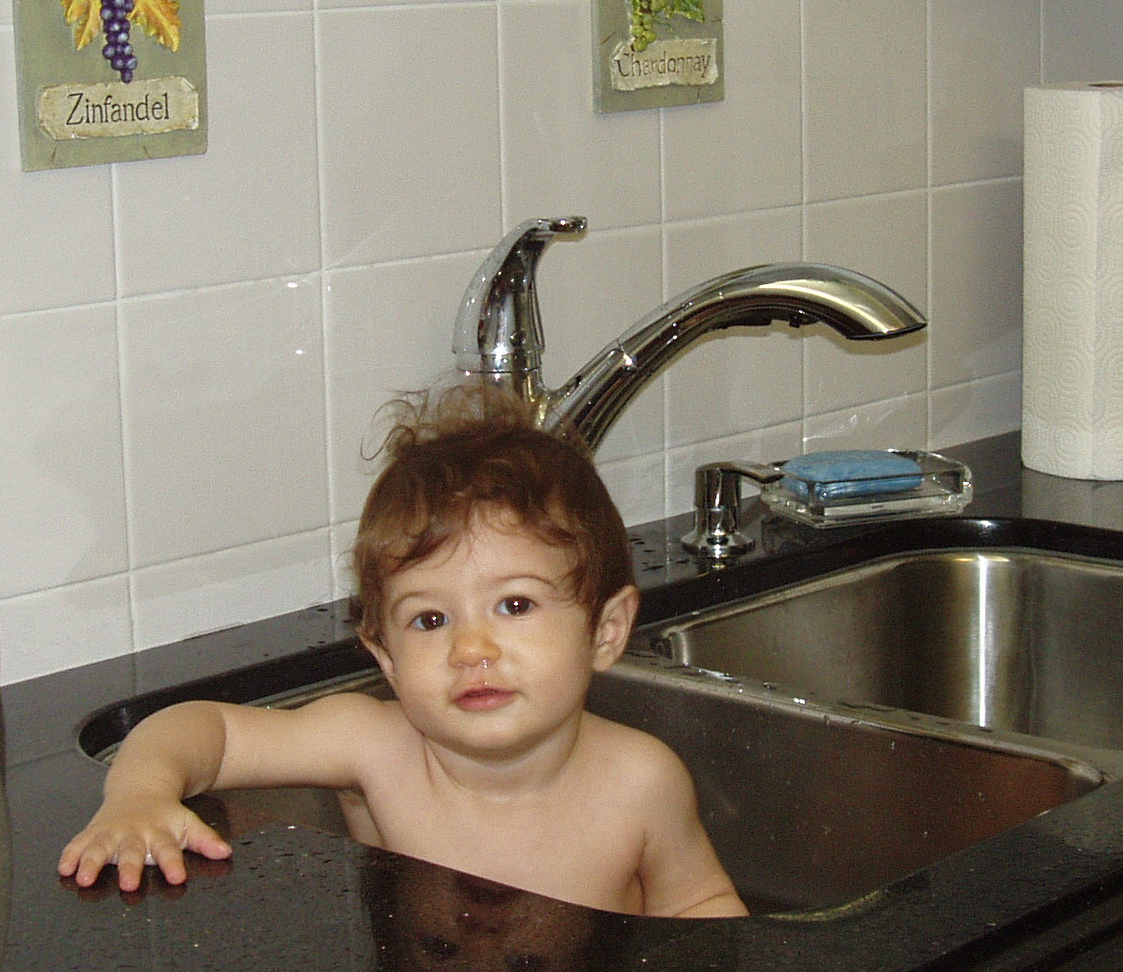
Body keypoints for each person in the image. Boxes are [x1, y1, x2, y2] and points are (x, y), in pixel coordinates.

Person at [58, 386, 747, 918]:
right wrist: (141, 794)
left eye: (515, 605)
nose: (470, 648)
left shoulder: (640, 781)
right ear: (384, 655)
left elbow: (702, 907)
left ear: (606, 630)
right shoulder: (375, 749)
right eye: (429, 620)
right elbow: (203, 728)